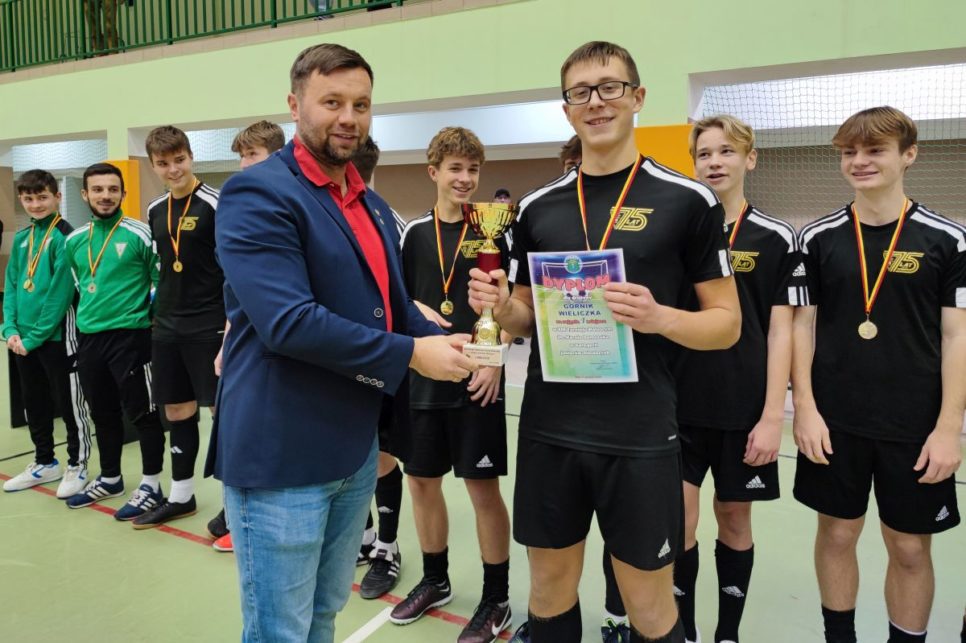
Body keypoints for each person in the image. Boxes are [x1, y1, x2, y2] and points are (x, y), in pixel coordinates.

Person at [207, 43, 478, 643]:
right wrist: (413, 354)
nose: (348, 117)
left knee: (324, 614)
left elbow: (391, 304)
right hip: (282, 454)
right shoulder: (258, 193)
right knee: (280, 630)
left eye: (361, 104)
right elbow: (288, 322)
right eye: (331, 102)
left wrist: (445, 340)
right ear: (295, 105)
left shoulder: (371, 204)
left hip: (353, 449)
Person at [472, 41, 741, 643]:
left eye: (610, 87)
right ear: (566, 108)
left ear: (637, 97)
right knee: (548, 591)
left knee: (648, 604)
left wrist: (658, 316)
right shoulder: (536, 207)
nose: (595, 102)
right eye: (580, 92)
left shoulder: (688, 201)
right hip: (550, 428)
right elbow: (523, 319)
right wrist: (500, 307)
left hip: (639, 433)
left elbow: (727, 324)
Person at [792, 106, 963, 643]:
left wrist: (948, 428)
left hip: (914, 425)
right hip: (834, 421)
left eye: (874, 150)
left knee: (909, 547)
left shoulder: (947, 239)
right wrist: (806, 409)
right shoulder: (816, 238)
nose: (859, 161)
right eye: (849, 152)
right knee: (837, 535)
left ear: (909, 155)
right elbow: (802, 327)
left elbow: (957, 337)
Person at [672, 115, 806, 643]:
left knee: (733, 517)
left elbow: (781, 332)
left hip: (743, 410)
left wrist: (774, 417)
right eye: (704, 154)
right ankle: (683, 631)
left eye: (726, 152)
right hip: (677, 407)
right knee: (678, 523)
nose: (715, 162)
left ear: (750, 159)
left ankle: (727, 633)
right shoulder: (677, 231)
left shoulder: (775, 237)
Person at [389, 127, 513, 642]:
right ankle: (435, 579)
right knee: (421, 482)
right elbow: (396, 298)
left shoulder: (495, 232)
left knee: (482, 489)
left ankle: (496, 598)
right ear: (433, 172)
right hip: (423, 375)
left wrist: (496, 360)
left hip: (478, 377)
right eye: (455, 168)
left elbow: (511, 305)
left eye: (473, 169)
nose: (465, 178)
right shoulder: (413, 234)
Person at [127, 126, 222, 529]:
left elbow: (233, 267)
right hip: (167, 325)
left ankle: (235, 505)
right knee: (176, 409)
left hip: (210, 324)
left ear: (191, 156)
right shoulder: (154, 208)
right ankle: (181, 496)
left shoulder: (217, 203)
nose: (173, 169)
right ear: (153, 165)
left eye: (179, 160)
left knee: (222, 411)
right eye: (163, 163)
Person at [62, 163, 168, 521]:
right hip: (90, 339)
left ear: (123, 193)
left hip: (131, 338)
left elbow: (160, 280)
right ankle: (110, 478)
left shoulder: (140, 233)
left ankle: (151, 486)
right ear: (85, 194)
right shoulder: (74, 241)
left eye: (112, 189)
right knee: (102, 412)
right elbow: (81, 286)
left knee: (143, 413)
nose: (105, 195)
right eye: (97, 189)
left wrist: (147, 313)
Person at [207, 119, 287, 553]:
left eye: (251, 154)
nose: (243, 164)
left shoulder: (291, 203)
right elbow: (235, 288)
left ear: (276, 155)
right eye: (241, 156)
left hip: (281, 343)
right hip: (242, 339)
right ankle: (236, 517)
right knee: (234, 428)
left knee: (268, 437)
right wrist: (226, 341)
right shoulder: (239, 205)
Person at [345, 135, 412, 601]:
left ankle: (388, 546)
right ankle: (365, 536)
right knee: (352, 452)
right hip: (341, 355)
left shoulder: (390, 220)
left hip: (383, 355)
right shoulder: (321, 214)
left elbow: (404, 296)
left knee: (380, 454)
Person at [2, 169, 93, 498]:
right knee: (34, 403)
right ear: (21, 200)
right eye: (29, 199)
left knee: (70, 405)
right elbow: (12, 284)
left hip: (57, 339)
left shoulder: (66, 237)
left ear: (57, 197)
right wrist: (9, 329)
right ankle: (44, 462)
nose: (36, 204)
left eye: (42, 197)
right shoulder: (23, 238)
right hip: (22, 341)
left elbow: (60, 295)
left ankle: (77, 464)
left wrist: (32, 337)